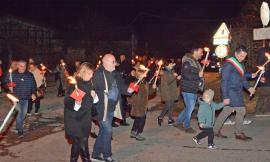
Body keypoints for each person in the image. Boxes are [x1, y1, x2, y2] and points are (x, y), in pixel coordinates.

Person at [91, 54, 133, 162]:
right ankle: (107, 156)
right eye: (113, 62)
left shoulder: (115, 73)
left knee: (103, 131)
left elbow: (121, 86)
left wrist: (128, 90)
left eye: (115, 61)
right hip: (101, 109)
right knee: (108, 130)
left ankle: (95, 155)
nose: (115, 64)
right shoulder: (98, 74)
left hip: (111, 108)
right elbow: (91, 89)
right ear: (105, 63)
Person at [214, 45, 255, 141]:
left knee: (227, 111)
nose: (243, 58)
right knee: (241, 110)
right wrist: (225, 96)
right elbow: (224, 81)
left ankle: (215, 130)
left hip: (237, 91)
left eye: (244, 56)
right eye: (241, 56)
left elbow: (243, 78)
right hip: (230, 91)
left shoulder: (240, 64)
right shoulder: (229, 64)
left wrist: (249, 88)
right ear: (236, 53)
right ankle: (238, 133)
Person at [64, 62, 96, 162]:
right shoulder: (75, 85)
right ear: (83, 72)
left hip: (84, 120)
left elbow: (91, 103)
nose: (91, 76)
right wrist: (77, 103)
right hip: (75, 121)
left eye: (92, 74)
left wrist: (94, 97)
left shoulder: (89, 84)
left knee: (77, 145)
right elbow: (68, 103)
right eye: (89, 73)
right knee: (83, 146)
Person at [174, 47, 204, 133]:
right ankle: (187, 126)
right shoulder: (188, 62)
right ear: (195, 52)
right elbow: (185, 75)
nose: (202, 54)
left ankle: (178, 121)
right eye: (201, 52)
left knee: (189, 107)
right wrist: (198, 75)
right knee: (190, 107)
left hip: (193, 88)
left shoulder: (195, 62)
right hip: (187, 88)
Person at [5, 60, 36, 137]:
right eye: (21, 66)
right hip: (16, 98)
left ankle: (18, 126)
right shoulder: (12, 74)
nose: (23, 67)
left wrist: (33, 93)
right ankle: (20, 130)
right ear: (18, 66)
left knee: (24, 113)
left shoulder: (29, 75)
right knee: (20, 113)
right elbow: (5, 83)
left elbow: (33, 85)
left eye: (25, 66)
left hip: (26, 97)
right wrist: (9, 86)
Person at [130, 64, 156, 141]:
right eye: (144, 72)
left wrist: (153, 88)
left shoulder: (144, 82)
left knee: (138, 118)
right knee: (141, 119)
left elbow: (148, 93)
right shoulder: (136, 83)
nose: (146, 73)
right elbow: (132, 95)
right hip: (138, 105)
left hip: (143, 104)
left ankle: (134, 131)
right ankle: (138, 133)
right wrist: (135, 104)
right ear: (139, 73)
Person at [157, 60, 180, 126]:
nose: (172, 65)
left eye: (172, 64)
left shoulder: (171, 70)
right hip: (167, 91)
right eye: (171, 64)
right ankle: (170, 119)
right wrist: (174, 76)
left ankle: (160, 117)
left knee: (168, 105)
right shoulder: (164, 72)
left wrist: (177, 78)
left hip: (172, 90)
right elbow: (168, 81)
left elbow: (172, 80)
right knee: (169, 105)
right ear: (167, 65)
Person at [254, 47, 270, 114]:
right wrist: (262, 76)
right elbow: (260, 64)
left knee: (266, 94)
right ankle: (260, 110)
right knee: (264, 94)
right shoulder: (264, 51)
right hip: (265, 77)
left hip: (268, 77)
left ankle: (265, 110)